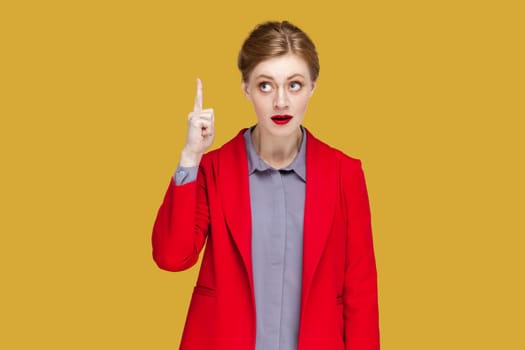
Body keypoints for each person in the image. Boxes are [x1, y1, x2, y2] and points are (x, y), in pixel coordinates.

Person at [152, 20, 380, 350]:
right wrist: (191, 156)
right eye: (265, 86)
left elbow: (361, 295)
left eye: (295, 85)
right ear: (246, 87)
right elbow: (171, 257)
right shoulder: (214, 169)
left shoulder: (345, 174)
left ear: (313, 87)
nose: (281, 102)